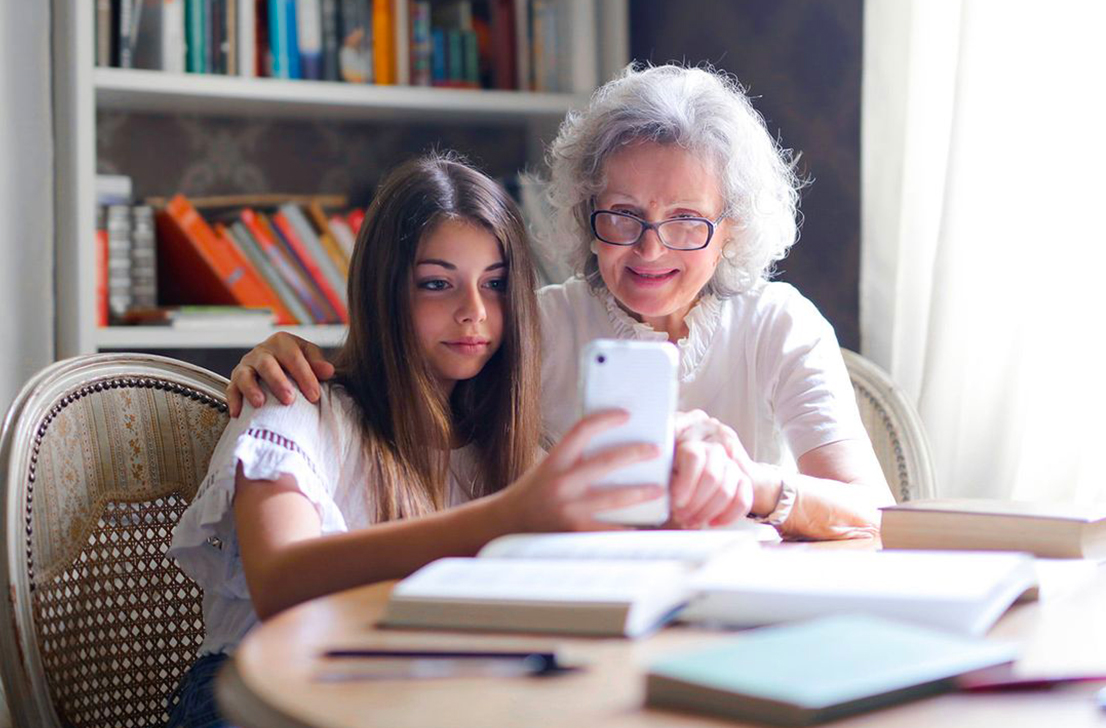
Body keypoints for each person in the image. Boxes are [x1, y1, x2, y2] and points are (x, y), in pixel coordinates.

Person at [226, 64, 894, 541]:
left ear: (732, 230)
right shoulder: (532, 324)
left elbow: (872, 513)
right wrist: (289, 354)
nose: (649, 250)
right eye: (623, 215)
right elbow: (402, 377)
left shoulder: (779, 322)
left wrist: (753, 484)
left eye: (687, 221)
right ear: (584, 210)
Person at [164, 154, 700, 728]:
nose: (473, 312)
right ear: (384, 291)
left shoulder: (515, 445)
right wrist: (511, 516)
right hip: (258, 702)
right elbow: (281, 583)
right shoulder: (296, 404)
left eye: (494, 285)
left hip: (412, 695)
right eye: (437, 284)